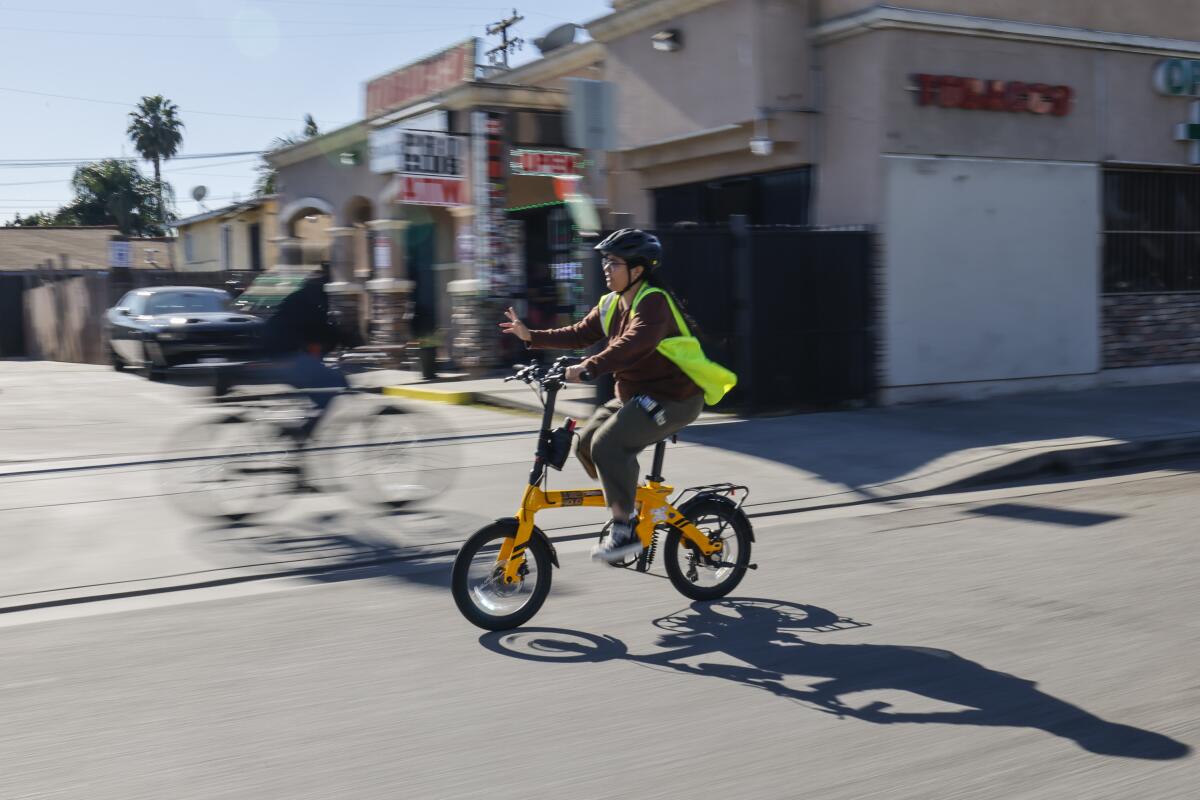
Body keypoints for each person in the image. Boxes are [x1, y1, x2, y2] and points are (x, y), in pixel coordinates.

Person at [500, 229, 705, 563]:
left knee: (608, 446)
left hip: (674, 399)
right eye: (605, 262)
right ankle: (627, 503)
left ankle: (624, 531)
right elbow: (581, 333)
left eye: (614, 263)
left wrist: (588, 368)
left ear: (637, 270)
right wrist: (530, 336)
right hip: (636, 397)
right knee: (585, 445)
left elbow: (634, 344)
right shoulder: (611, 303)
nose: (606, 269)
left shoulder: (654, 302)